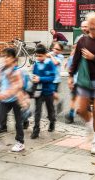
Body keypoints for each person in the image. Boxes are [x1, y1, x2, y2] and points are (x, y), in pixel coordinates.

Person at [69, 12, 95, 154]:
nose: (91, 30)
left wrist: (93, 57)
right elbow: (76, 59)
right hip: (85, 80)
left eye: (93, 27)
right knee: (80, 110)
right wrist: (70, 76)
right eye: (90, 27)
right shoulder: (82, 41)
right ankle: (91, 126)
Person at [31, 44, 56, 139]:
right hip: (38, 91)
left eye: (40, 56)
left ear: (45, 55)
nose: (38, 58)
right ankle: (36, 130)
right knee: (37, 111)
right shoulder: (36, 64)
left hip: (48, 91)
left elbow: (52, 77)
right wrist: (33, 78)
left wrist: (40, 78)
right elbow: (34, 75)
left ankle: (52, 121)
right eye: (37, 56)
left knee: (50, 110)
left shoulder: (50, 63)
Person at [47, 42, 64, 114]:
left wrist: (51, 56)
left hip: (56, 79)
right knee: (51, 95)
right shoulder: (52, 53)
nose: (56, 50)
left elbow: (55, 63)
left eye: (58, 49)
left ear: (61, 51)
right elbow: (45, 55)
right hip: (49, 78)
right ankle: (53, 109)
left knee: (52, 94)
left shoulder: (60, 56)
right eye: (55, 48)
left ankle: (58, 102)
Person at [65, 45, 78, 124]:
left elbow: (69, 70)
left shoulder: (72, 58)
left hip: (76, 82)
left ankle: (71, 116)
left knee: (74, 99)